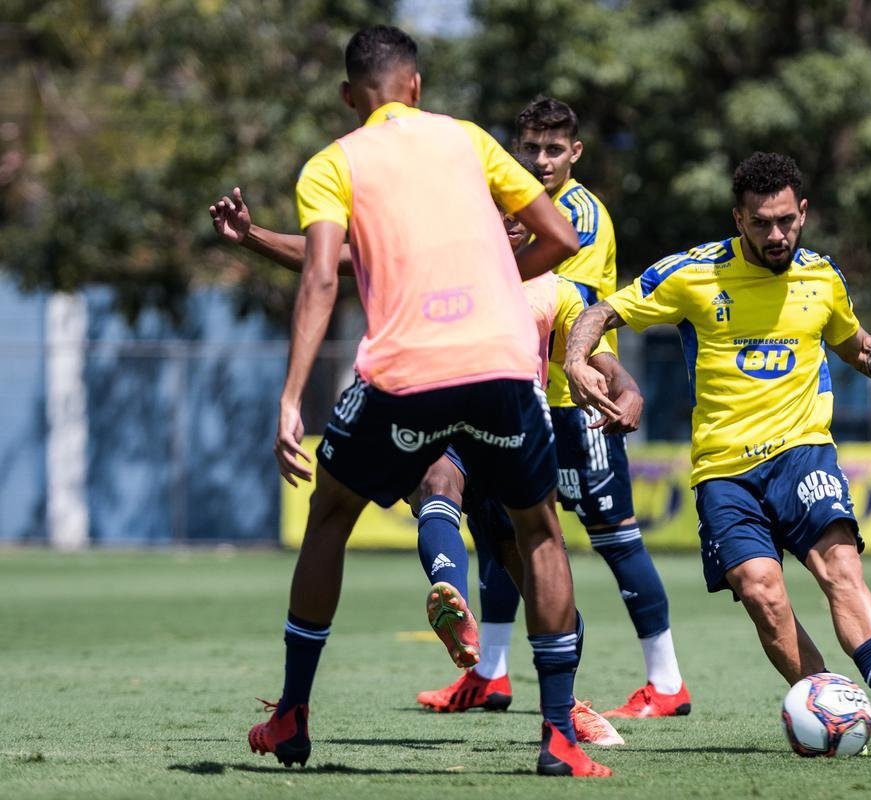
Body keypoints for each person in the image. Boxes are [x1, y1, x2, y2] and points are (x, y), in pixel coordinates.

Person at [247, 25, 609, 777]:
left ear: (351, 97)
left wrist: (290, 397)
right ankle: (559, 739)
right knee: (538, 530)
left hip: (406, 374)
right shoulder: (469, 140)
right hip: (503, 366)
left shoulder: (331, 163)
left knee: (332, 514)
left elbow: (321, 276)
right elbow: (562, 235)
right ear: (416, 86)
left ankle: (291, 716)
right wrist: (495, 285)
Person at [564, 151, 871, 738]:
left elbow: (859, 347)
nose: (776, 234)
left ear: (804, 212)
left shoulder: (823, 276)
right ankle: (838, 710)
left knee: (840, 564)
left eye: (786, 220)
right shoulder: (691, 274)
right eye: (761, 222)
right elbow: (601, 310)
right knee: (763, 594)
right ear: (738, 218)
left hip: (803, 451)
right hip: (723, 472)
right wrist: (575, 358)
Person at [209, 176, 632, 747]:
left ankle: (568, 702)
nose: (507, 222)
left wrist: (620, 385)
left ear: (527, 226)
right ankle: (450, 593)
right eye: (496, 213)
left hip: (512, 425)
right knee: (441, 484)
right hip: (471, 418)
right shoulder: (442, 265)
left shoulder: (555, 288)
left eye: (514, 215)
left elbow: (591, 343)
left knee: (534, 569)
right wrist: (254, 235)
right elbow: (337, 257)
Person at [470, 96, 686, 719]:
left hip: (577, 399)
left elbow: (575, 305)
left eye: (553, 150)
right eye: (530, 148)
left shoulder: (581, 215)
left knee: (615, 538)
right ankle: (490, 673)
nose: (540, 161)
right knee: (501, 533)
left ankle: (666, 682)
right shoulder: (507, 204)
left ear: (576, 153)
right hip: (519, 394)